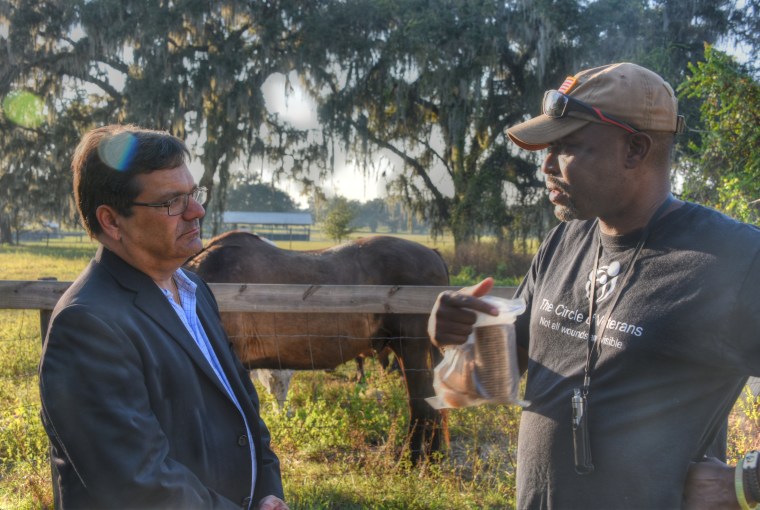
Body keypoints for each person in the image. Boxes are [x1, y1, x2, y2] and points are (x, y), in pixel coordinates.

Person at [428, 63, 760, 509]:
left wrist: (744, 484)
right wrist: (455, 339)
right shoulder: (566, 239)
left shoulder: (735, 260)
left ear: (634, 149)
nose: (545, 164)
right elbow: (487, 378)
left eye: (566, 146)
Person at [39, 125, 289, 510]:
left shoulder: (192, 290)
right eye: (172, 202)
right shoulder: (87, 325)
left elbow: (244, 411)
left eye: (193, 194)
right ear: (111, 221)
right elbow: (138, 484)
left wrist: (268, 492)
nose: (197, 211)